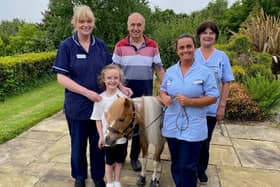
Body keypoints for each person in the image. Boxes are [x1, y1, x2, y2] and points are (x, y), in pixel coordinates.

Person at [53, 5, 113, 187]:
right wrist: (86, 92)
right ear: (75, 23)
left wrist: (121, 87)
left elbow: (110, 71)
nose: (85, 25)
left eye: (89, 21)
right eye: (82, 21)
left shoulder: (100, 45)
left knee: (99, 143)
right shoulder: (67, 46)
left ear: (93, 23)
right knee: (78, 146)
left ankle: (97, 176)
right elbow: (61, 77)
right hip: (77, 106)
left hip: (99, 106)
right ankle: (79, 176)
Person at [159, 34, 219, 187]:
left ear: (194, 48)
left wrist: (191, 101)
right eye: (181, 47)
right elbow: (162, 90)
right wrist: (164, 97)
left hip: (194, 127)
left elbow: (213, 96)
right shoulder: (171, 71)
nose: (185, 50)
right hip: (172, 125)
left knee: (188, 166)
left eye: (188, 46)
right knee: (176, 164)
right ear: (177, 50)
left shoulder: (205, 72)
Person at [112, 12, 165, 171]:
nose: (136, 28)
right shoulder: (120, 46)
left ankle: (134, 157)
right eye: (132, 25)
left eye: (139, 25)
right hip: (124, 95)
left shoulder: (152, 45)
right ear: (128, 26)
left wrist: (164, 88)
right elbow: (113, 71)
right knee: (122, 125)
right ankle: (120, 157)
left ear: (144, 26)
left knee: (140, 129)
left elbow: (159, 69)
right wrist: (121, 87)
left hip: (145, 96)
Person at [195, 21, 234, 184]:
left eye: (211, 33)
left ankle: (201, 169)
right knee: (191, 140)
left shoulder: (221, 56)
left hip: (211, 108)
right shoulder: (192, 53)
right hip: (192, 107)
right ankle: (190, 167)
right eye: (205, 32)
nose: (208, 36)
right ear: (199, 36)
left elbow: (226, 82)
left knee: (205, 141)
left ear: (216, 36)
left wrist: (222, 106)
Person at [91, 64, 128, 187]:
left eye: (116, 78)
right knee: (109, 161)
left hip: (121, 138)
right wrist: (101, 136)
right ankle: (109, 182)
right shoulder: (100, 99)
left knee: (119, 161)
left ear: (120, 80)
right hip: (107, 138)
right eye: (109, 78)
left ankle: (117, 181)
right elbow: (97, 119)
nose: (112, 81)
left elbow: (128, 118)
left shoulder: (123, 98)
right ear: (104, 79)